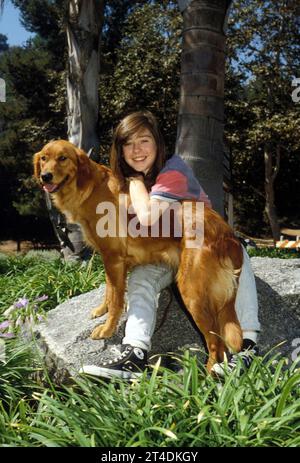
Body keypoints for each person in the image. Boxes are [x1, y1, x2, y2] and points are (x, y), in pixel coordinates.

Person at [81, 111, 260, 380]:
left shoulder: (172, 170)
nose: (137, 150)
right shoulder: (119, 182)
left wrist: (136, 183)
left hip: (205, 240)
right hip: (166, 250)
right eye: (128, 144)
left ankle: (246, 348)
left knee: (231, 259)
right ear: (119, 150)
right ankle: (135, 352)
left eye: (144, 141)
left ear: (158, 144)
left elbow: (147, 216)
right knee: (141, 279)